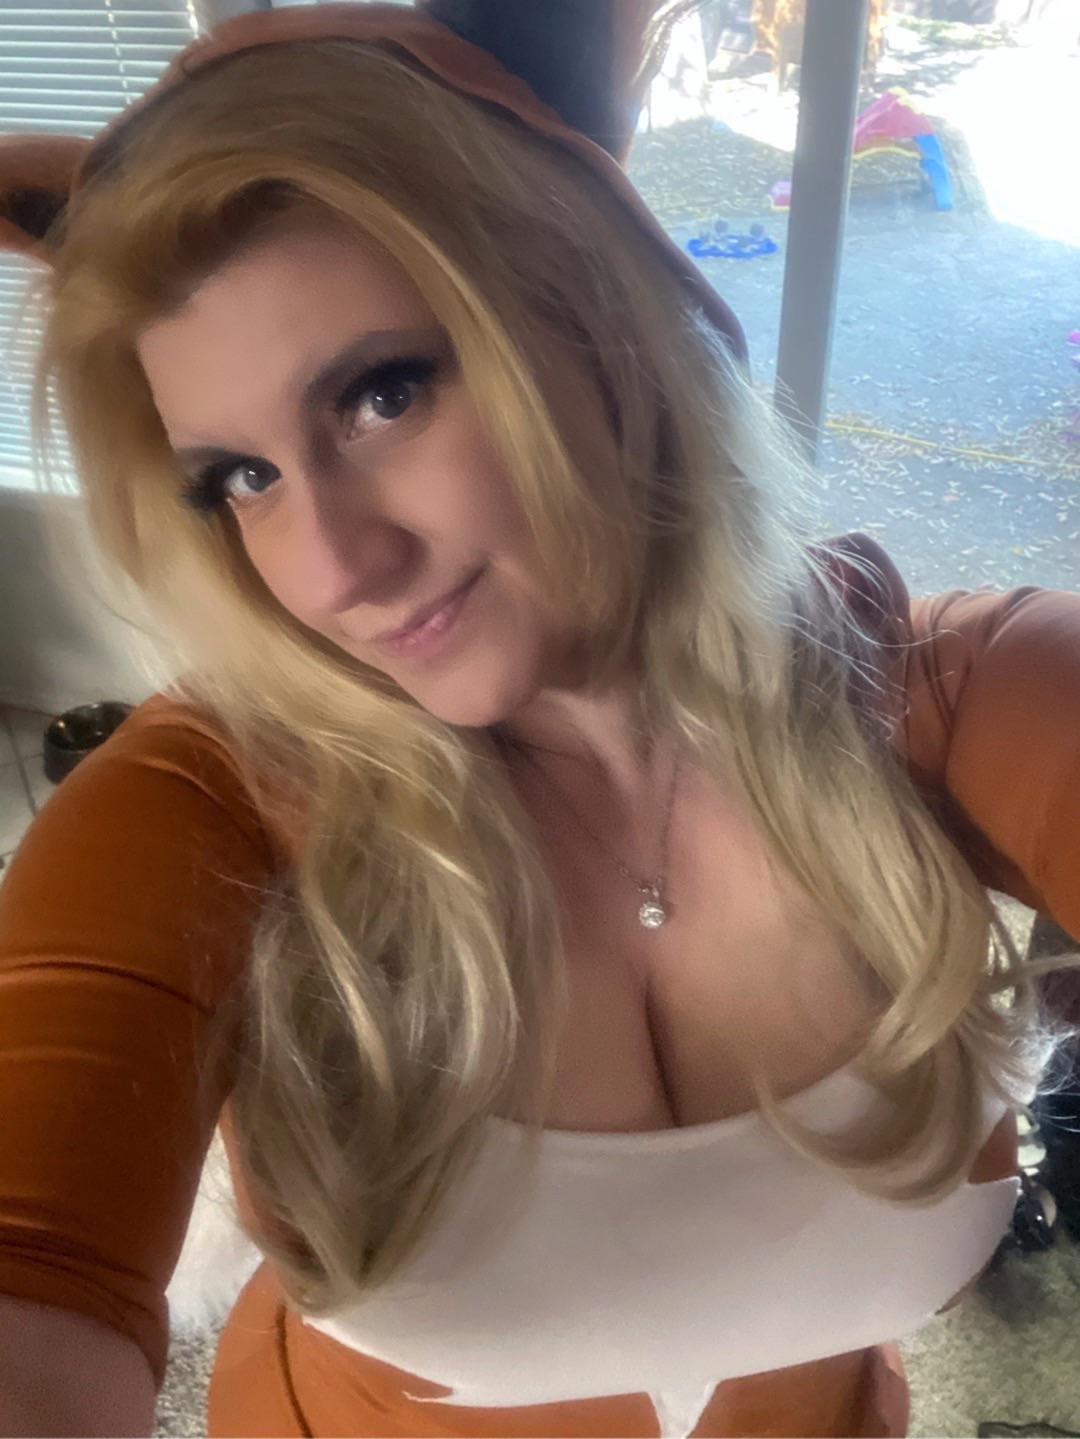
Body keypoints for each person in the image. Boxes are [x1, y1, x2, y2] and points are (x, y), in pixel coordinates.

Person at [1, 3, 1079, 1435]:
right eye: (240, 479)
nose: (330, 571)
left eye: (382, 395)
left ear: (607, 322)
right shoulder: (209, 805)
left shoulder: (939, 696)